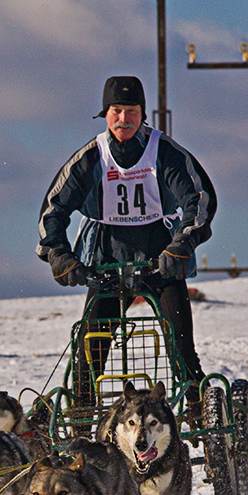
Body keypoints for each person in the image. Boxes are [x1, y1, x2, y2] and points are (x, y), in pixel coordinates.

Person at [36, 75, 216, 427]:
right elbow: (52, 211)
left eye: (131, 111)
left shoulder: (164, 152)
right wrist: (59, 254)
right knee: (88, 354)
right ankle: (83, 429)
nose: (124, 119)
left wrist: (182, 244)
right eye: (116, 111)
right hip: (106, 261)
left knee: (181, 348)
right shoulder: (91, 158)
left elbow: (200, 200)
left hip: (159, 259)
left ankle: (199, 415)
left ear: (142, 114)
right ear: (105, 114)